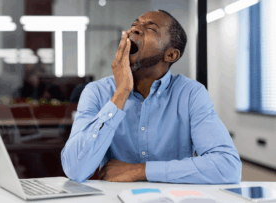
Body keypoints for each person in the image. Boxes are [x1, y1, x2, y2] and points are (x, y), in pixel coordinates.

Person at [61, 10, 242, 184]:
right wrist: (121, 92)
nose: (135, 29)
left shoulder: (190, 94)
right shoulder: (96, 92)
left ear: (171, 54)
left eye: (151, 28)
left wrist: (139, 171)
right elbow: (75, 170)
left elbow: (227, 166)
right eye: (134, 25)